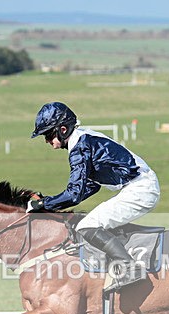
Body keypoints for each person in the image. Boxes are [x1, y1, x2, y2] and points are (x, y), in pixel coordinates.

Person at [27, 102, 160, 291]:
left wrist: (42, 204)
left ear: (63, 129)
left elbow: (74, 194)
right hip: (140, 186)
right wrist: (49, 203)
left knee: (87, 225)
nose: (47, 141)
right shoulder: (84, 140)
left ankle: (130, 269)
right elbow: (88, 187)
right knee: (91, 222)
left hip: (140, 189)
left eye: (48, 135)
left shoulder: (80, 147)